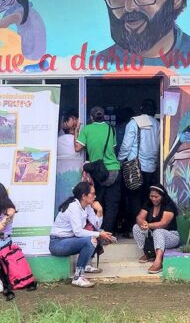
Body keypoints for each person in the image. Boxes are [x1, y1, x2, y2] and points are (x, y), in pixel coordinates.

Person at [50, 182, 116, 288]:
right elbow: (78, 231)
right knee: (91, 239)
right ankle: (78, 277)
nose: (95, 196)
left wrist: (99, 211)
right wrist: (99, 234)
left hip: (70, 240)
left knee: (96, 234)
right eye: (92, 194)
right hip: (57, 243)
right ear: (84, 196)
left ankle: (85, 266)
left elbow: (96, 226)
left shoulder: (87, 206)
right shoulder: (73, 207)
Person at [75, 106, 121, 233]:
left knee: (96, 200)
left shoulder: (87, 129)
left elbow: (77, 148)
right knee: (112, 204)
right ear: (104, 116)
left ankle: (97, 231)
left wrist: (76, 131)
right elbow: (113, 147)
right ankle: (109, 231)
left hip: (98, 172)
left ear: (91, 117)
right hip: (114, 170)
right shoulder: (111, 129)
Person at [119, 99, 161, 236]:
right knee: (147, 200)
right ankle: (145, 228)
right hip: (152, 168)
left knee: (132, 199)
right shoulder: (158, 125)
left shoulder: (134, 123)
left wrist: (119, 159)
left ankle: (132, 229)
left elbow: (126, 146)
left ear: (141, 109)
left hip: (135, 168)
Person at [133, 185, 180, 274]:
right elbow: (139, 217)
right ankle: (148, 253)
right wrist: (142, 223)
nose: (153, 199)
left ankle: (158, 262)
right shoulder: (148, 204)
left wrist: (148, 225)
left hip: (171, 237)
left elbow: (163, 223)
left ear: (162, 196)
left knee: (158, 231)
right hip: (154, 236)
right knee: (136, 227)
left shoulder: (168, 206)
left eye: (156, 197)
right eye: (152, 196)